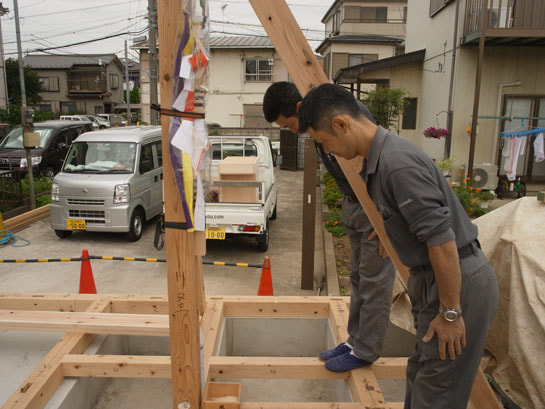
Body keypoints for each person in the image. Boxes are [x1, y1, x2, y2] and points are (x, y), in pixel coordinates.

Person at [297, 83, 499, 409]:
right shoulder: (379, 161)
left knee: (437, 393)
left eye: (324, 142)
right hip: (434, 279)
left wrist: (450, 313)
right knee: (421, 375)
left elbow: (442, 241)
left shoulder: (397, 164)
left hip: (455, 283)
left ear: (341, 124)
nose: (329, 151)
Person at [263, 82, 397, 372]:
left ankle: (366, 350)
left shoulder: (343, 117)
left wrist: (386, 221)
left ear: (298, 107)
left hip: (374, 209)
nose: (291, 131)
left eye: (289, 124)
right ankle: (355, 342)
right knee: (359, 278)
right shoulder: (318, 123)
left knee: (374, 282)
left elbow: (382, 166)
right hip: (354, 203)